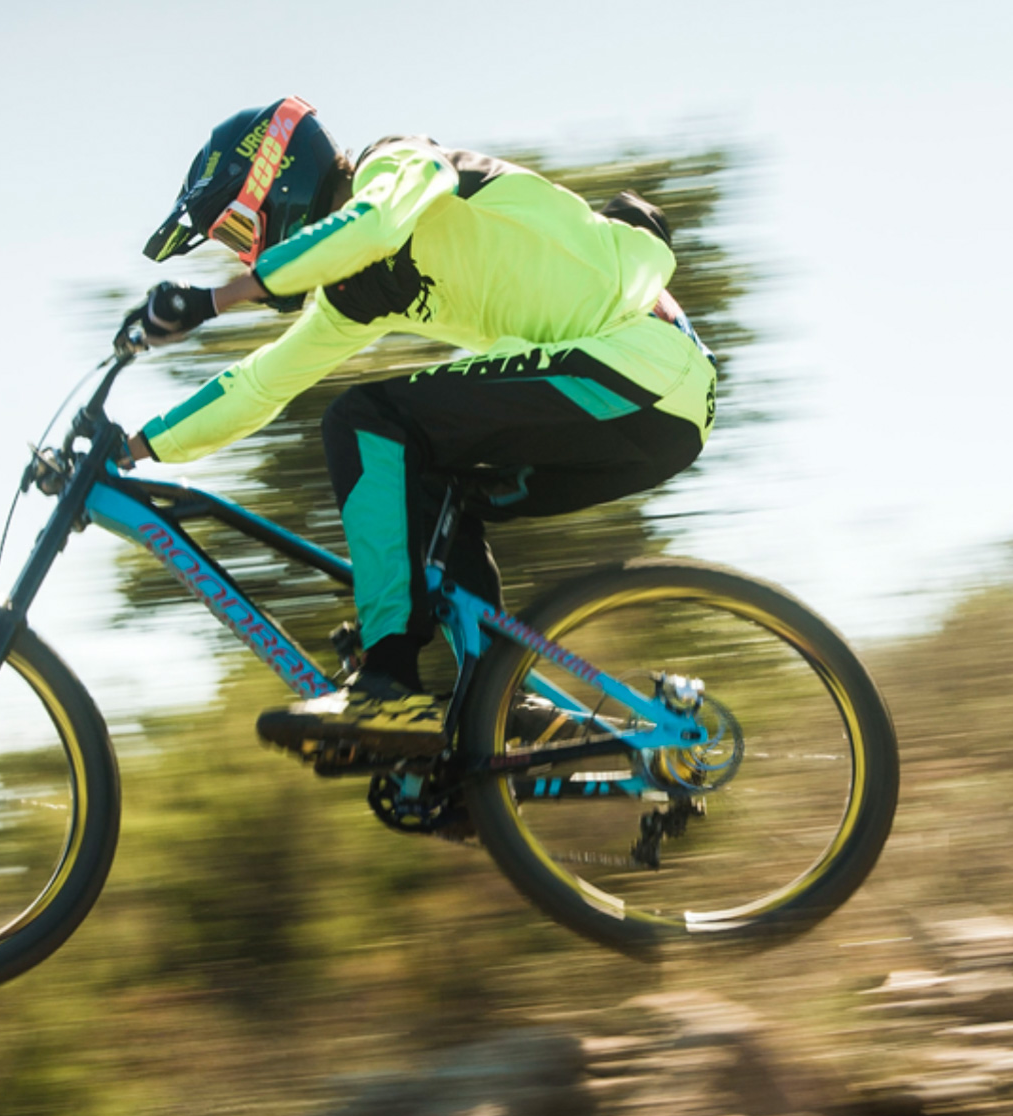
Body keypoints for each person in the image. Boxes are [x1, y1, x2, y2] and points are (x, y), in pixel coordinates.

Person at [117, 96, 718, 757]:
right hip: (643, 415)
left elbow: (372, 224)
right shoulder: (351, 299)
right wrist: (135, 447)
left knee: (365, 421)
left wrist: (217, 299)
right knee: (432, 492)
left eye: (236, 233)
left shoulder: (396, 164)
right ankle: (495, 709)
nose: (242, 254)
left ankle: (388, 682)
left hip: (640, 363)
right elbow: (259, 385)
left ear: (275, 178)